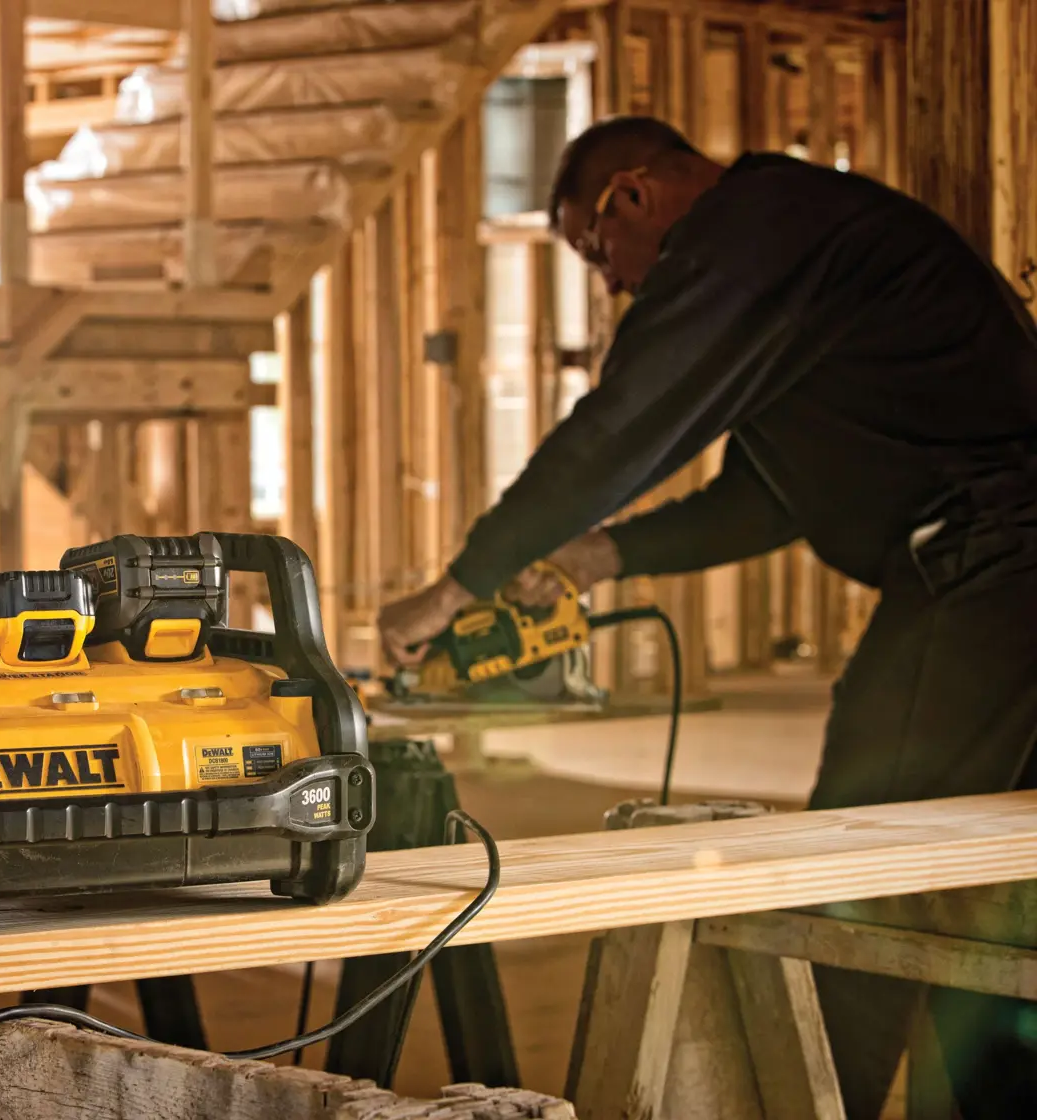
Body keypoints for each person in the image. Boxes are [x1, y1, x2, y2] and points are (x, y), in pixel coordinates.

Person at [376, 115, 1037, 1118]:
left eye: (598, 253)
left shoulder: (745, 235)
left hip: (999, 558)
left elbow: (619, 429)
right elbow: (769, 498)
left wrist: (454, 587)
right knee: (992, 870)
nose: (611, 285)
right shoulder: (794, 256)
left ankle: (828, 1105)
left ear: (633, 197)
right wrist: (601, 556)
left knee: (861, 852)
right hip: (993, 555)